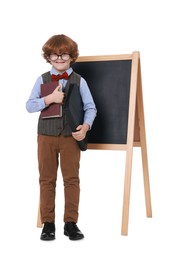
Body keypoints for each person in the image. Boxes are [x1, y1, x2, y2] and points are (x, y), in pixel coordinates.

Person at [26, 34, 97, 241]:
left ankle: (70, 223)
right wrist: (49, 99)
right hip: (45, 137)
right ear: (48, 57)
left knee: (71, 180)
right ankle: (48, 223)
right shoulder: (42, 79)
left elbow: (90, 107)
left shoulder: (79, 81)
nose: (59, 58)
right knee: (46, 179)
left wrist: (85, 126)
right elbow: (29, 105)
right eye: (54, 55)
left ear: (71, 56)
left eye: (63, 54)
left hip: (70, 137)